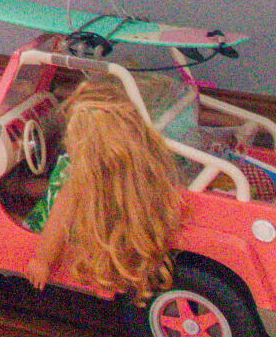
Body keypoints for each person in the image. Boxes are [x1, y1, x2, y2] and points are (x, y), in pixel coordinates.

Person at [23, 76, 183, 299]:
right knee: (28, 186)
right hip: (92, 219)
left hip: (64, 228)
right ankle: (17, 186)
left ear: (85, 146)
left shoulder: (78, 182)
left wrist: (41, 260)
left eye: (70, 136)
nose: (66, 142)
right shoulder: (138, 166)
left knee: (20, 212)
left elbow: (57, 223)